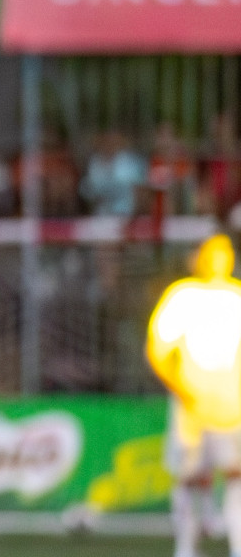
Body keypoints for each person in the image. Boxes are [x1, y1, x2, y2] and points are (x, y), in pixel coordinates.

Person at [147, 235, 241, 557]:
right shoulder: (183, 296)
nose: (219, 259)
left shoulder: (237, 296)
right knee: (189, 477)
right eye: (212, 253)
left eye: (225, 253)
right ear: (199, 258)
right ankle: (186, 548)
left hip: (231, 407)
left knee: (235, 475)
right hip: (192, 405)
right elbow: (157, 350)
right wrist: (180, 388)